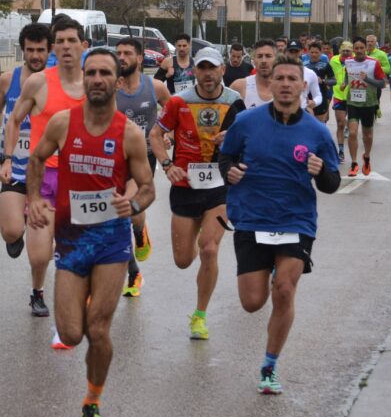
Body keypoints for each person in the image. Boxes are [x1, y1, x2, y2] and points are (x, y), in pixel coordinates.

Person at [27, 47, 155, 417]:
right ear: (84, 79)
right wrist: (34, 199)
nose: (97, 79)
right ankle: (81, 297)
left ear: (117, 81)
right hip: (70, 239)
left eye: (104, 73)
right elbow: (36, 159)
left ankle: (92, 402)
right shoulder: (63, 123)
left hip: (111, 242)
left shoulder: (130, 134)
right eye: (91, 73)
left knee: (98, 330)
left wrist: (131, 203)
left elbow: (148, 188)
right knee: (69, 333)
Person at [219, 57, 341, 394]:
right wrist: (229, 172)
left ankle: (269, 366)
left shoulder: (317, 132)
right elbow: (225, 157)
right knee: (252, 302)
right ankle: (270, 273)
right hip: (252, 218)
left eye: (293, 79)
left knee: (285, 290)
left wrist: (322, 173)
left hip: (296, 220)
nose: (286, 84)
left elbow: (332, 184)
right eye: (280, 78)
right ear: (270, 84)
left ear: (304, 86)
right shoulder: (246, 122)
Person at [0, 17, 87, 345]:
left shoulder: (93, 85)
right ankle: (38, 291)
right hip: (44, 177)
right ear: (55, 46)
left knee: (73, 250)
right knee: (39, 255)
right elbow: (15, 119)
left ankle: (71, 308)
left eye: (71, 41)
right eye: (60, 41)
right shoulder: (38, 83)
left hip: (80, 178)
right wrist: (8, 158)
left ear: (83, 46)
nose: (66, 46)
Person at [150, 47, 244, 340]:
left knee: (209, 249)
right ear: (195, 72)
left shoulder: (234, 102)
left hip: (219, 187)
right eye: (201, 68)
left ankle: (200, 316)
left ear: (222, 71)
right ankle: (196, 232)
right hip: (185, 187)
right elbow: (155, 134)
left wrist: (234, 138)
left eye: (212, 68)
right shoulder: (179, 102)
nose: (207, 74)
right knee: (182, 259)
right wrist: (167, 165)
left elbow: (248, 140)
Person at [0, 22, 53, 316]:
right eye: (30, 50)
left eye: (40, 50)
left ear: (49, 50)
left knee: (39, 253)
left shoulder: (56, 82)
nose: (35, 55)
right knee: (11, 231)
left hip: (48, 174)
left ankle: (37, 293)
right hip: (15, 167)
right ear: (22, 50)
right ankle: (16, 234)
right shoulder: (7, 79)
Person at [114, 37, 171, 297]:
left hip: (143, 159)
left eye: (127, 53)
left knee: (131, 213)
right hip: (113, 160)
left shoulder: (154, 87)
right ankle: (134, 272)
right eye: (118, 53)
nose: (121, 57)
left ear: (139, 58)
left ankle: (140, 231)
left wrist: (169, 135)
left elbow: (174, 113)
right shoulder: (108, 87)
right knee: (118, 215)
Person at [339, 37, 386, 177]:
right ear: (353, 50)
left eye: (361, 48)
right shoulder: (349, 62)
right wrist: (345, 83)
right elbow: (348, 75)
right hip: (353, 102)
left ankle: (366, 156)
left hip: (369, 103)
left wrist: (367, 79)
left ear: (366, 49)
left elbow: (382, 84)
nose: (359, 51)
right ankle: (354, 163)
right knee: (352, 133)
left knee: (367, 134)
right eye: (356, 48)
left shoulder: (374, 63)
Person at [231, 39, 276, 109]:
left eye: (268, 56)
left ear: (276, 59)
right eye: (260, 56)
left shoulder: (285, 88)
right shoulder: (239, 87)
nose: (264, 61)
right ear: (253, 60)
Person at [329, 41, 353, 161]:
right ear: (340, 51)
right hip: (338, 95)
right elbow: (328, 74)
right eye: (343, 50)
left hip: (352, 96)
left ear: (352, 51)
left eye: (348, 50)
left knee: (352, 124)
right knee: (340, 123)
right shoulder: (333, 61)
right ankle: (341, 151)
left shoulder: (355, 62)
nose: (346, 52)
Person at [286, 41, 322, 114]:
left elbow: (318, 95)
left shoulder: (310, 73)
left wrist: (314, 102)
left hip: (302, 112)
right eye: (291, 51)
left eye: (296, 51)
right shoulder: (279, 72)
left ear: (301, 51)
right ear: (286, 52)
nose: (293, 54)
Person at [304, 41, 335, 124]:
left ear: (321, 53)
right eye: (312, 52)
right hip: (307, 99)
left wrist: (323, 81)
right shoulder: (303, 65)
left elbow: (334, 81)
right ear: (308, 52)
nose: (314, 54)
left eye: (316, 52)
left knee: (320, 125)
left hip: (321, 98)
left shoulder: (325, 65)